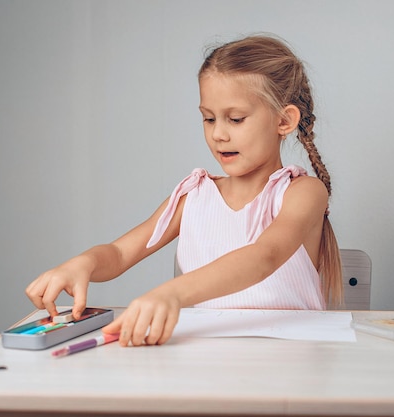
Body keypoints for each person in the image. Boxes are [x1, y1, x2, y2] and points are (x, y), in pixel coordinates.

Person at [26, 34, 343, 347]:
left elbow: (264, 256)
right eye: (208, 119)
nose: (218, 134)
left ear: (284, 121)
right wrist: (84, 263)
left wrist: (172, 293)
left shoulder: (303, 192)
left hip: (293, 359)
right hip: (209, 360)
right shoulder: (194, 196)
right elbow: (121, 253)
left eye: (235, 119)